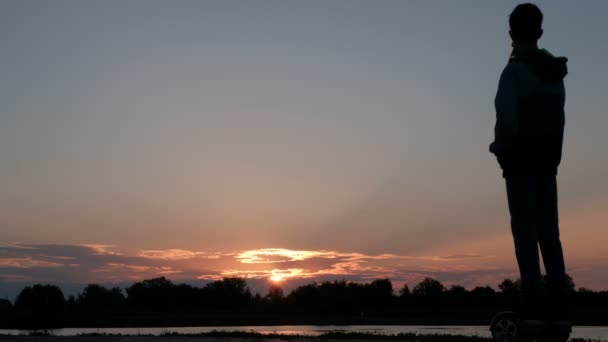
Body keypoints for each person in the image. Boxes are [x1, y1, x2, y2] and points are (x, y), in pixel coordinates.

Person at [489, 3, 570, 321]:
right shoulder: (555, 74)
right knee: (549, 233)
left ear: (512, 34)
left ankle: (533, 305)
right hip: (548, 162)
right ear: (540, 32)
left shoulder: (513, 72)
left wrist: (500, 149)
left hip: (520, 163)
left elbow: (506, 119)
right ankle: (559, 303)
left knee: (524, 233)